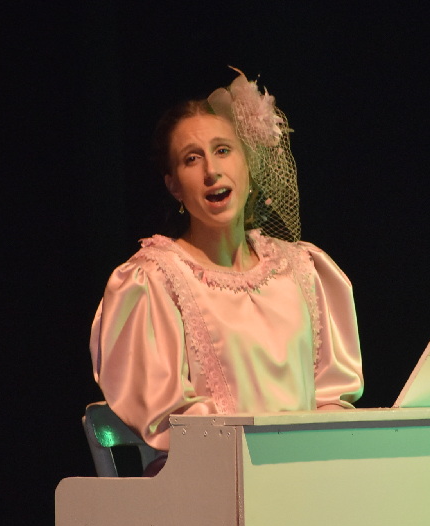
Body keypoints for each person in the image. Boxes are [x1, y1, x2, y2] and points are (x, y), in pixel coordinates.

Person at [90, 71, 364, 470]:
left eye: (222, 150)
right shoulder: (154, 280)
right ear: (174, 186)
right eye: (191, 158)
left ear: (248, 166)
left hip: (305, 476)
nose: (211, 171)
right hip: (208, 479)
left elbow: (331, 397)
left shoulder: (303, 270)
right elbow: (168, 414)